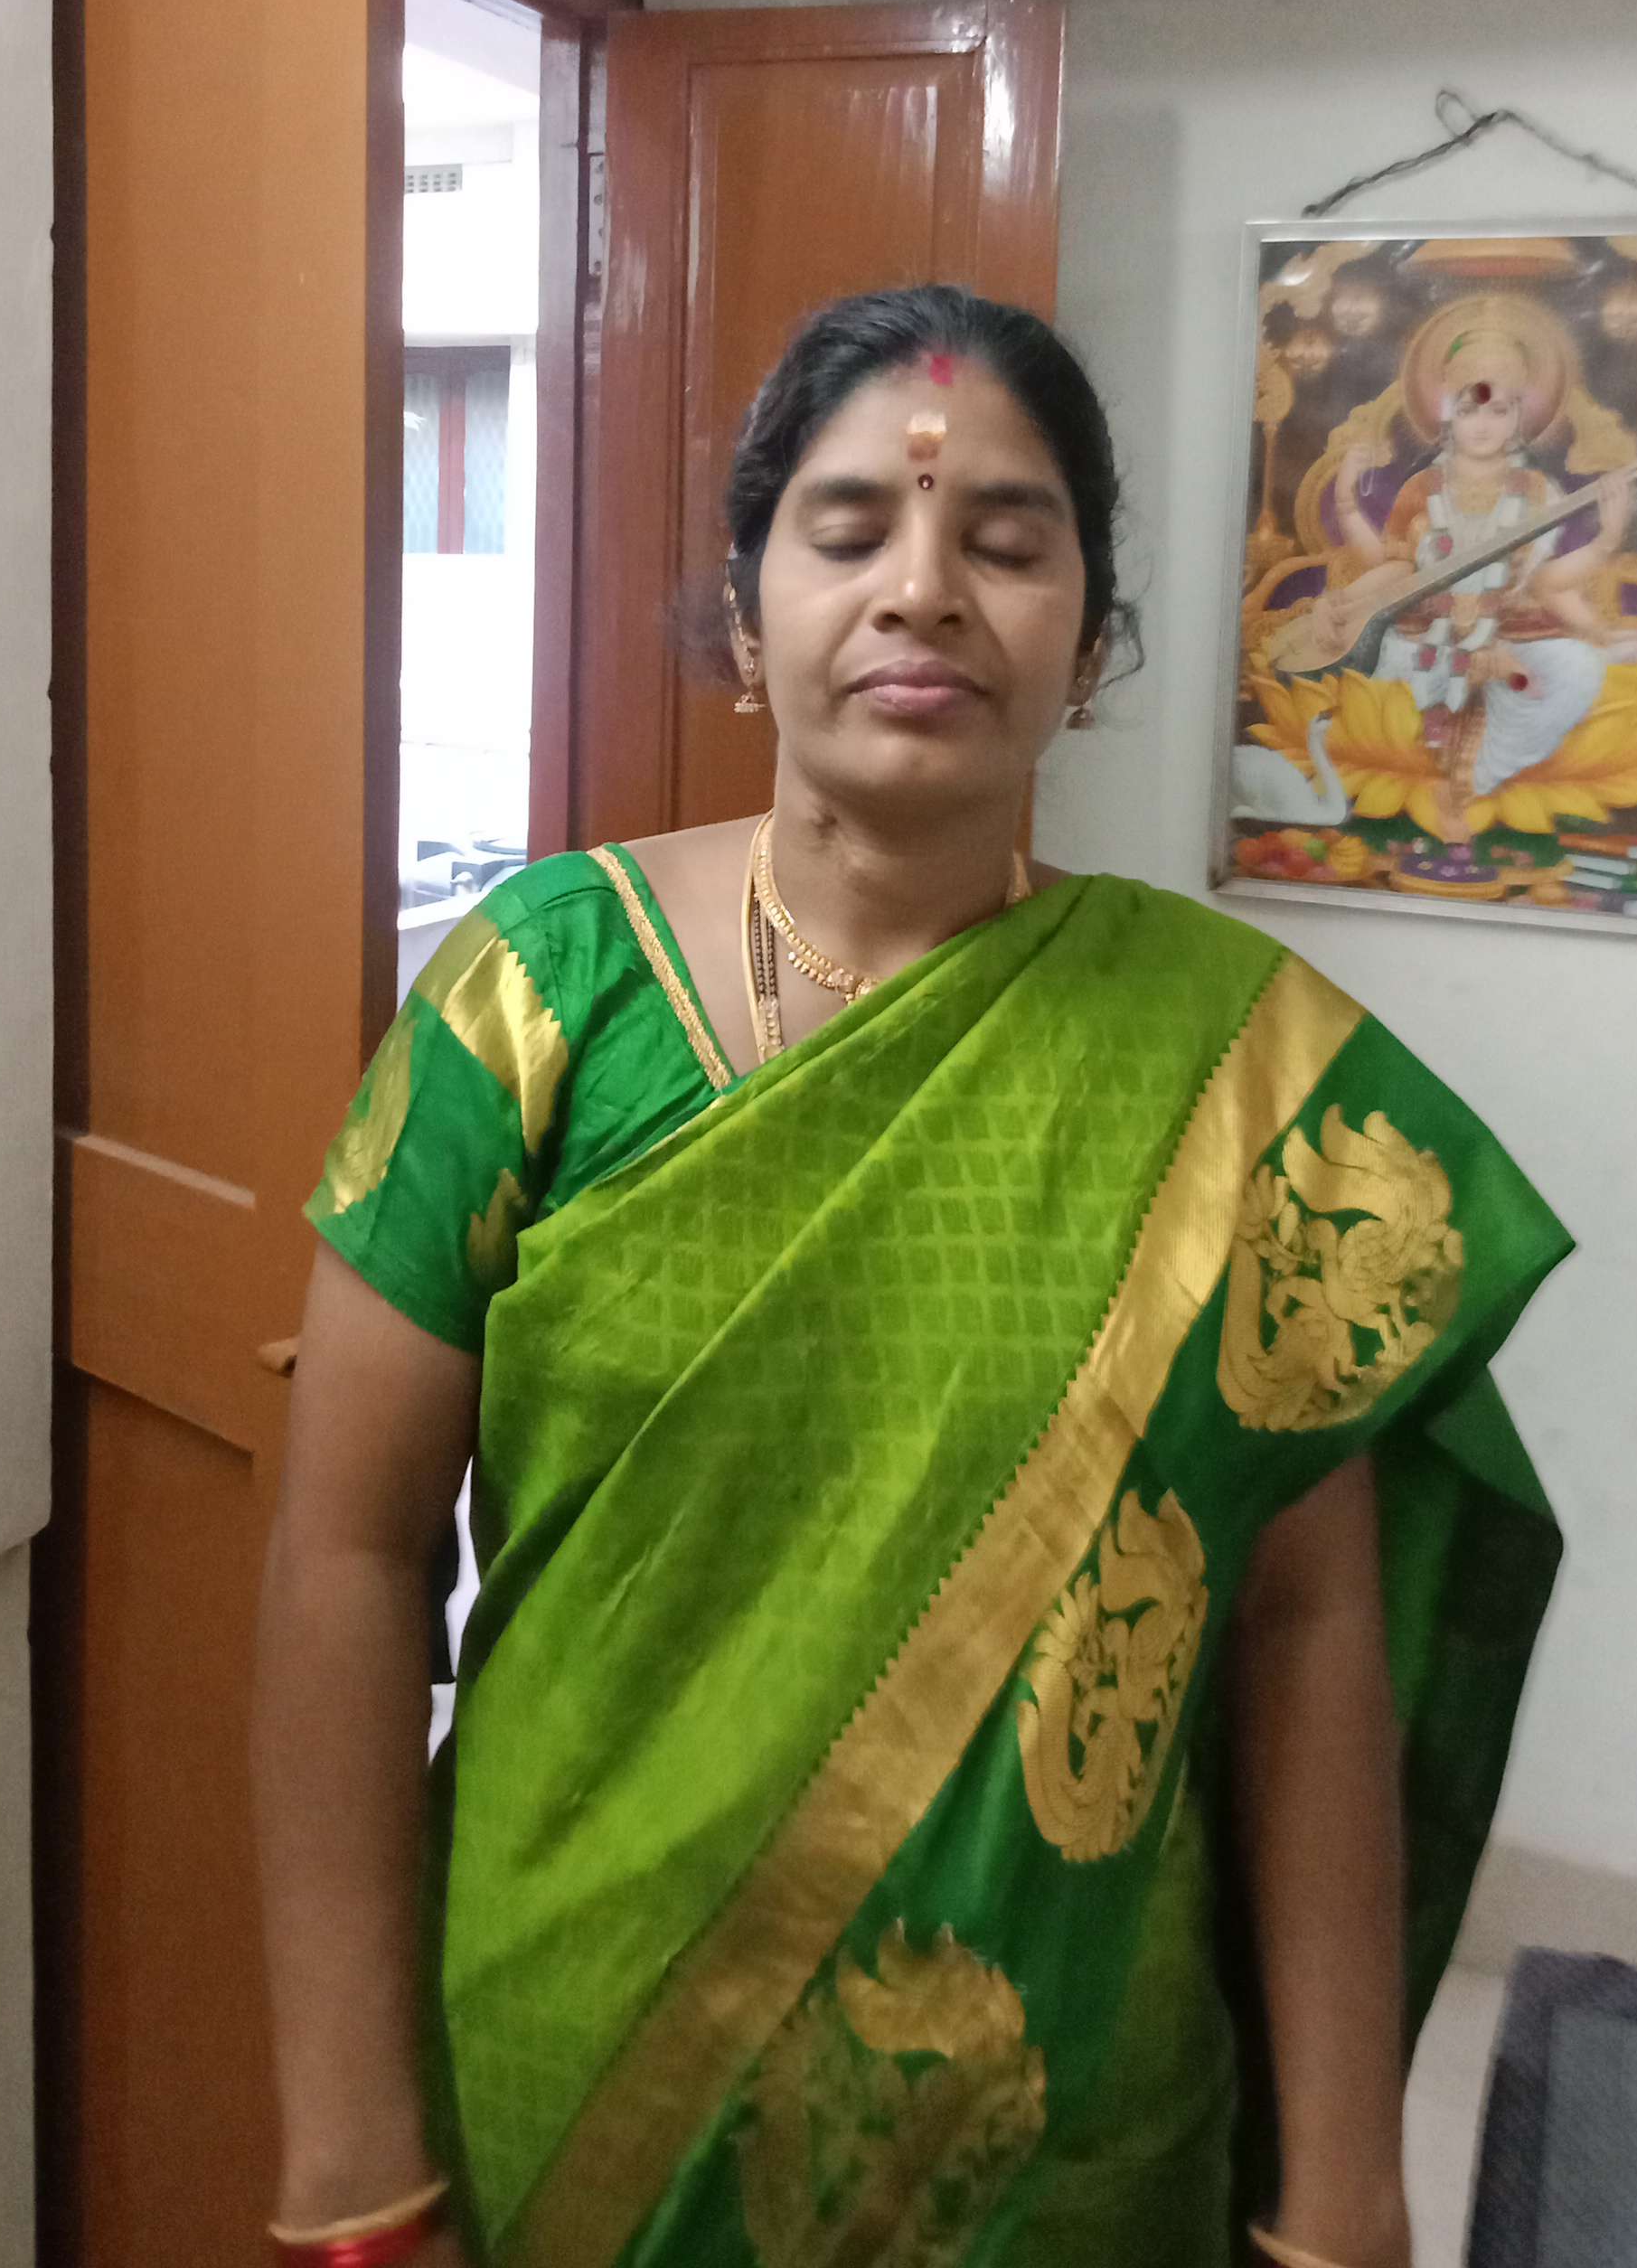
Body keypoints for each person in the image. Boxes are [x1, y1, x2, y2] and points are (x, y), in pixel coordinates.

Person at [253, 287, 1570, 2268]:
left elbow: (1308, 1633)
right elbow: (348, 1561)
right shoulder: (540, 997)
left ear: (1092, 645)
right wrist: (351, 2161)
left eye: (1007, 542)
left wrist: (1345, 2187)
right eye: (850, 527)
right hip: (566, 2066)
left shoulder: (1236, 1072)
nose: (925, 589)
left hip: (1065, 2121)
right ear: (745, 608)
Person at [1329, 300, 1637, 842]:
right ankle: (1439, 757)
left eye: (1498, 411)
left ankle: (1475, 780)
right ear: (1447, 415)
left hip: (1507, 635)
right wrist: (1346, 504)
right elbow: (1393, 570)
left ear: (1518, 418)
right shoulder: (1421, 490)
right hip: (1424, 640)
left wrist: (1607, 542)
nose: (1483, 425)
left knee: (1579, 670)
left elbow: (1549, 585)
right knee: (1386, 691)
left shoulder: (1538, 492)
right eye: (1469, 410)